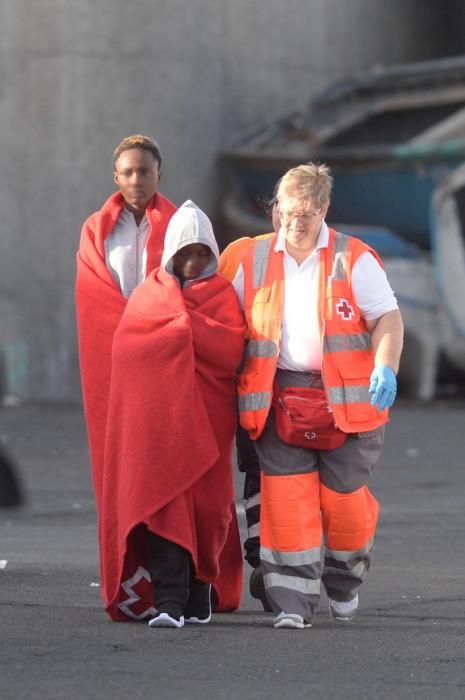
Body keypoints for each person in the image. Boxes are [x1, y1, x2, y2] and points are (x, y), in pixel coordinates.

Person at [232, 162, 404, 629]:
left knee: (345, 505)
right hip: (279, 398)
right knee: (287, 505)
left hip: (347, 403)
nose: (295, 222)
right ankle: (293, 604)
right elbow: (223, 324)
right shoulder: (253, 260)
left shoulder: (354, 258)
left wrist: (385, 367)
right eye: (287, 211)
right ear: (276, 209)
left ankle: (344, 581)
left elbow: (387, 319)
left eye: (306, 212)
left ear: (324, 209)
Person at [219, 199, 280, 613]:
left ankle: (292, 564)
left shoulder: (334, 257)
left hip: (308, 393)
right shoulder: (241, 254)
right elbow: (217, 313)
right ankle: (263, 563)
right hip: (255, 391)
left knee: (302, 484)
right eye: (284, 207)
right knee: (258, 474)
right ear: (273, 210)